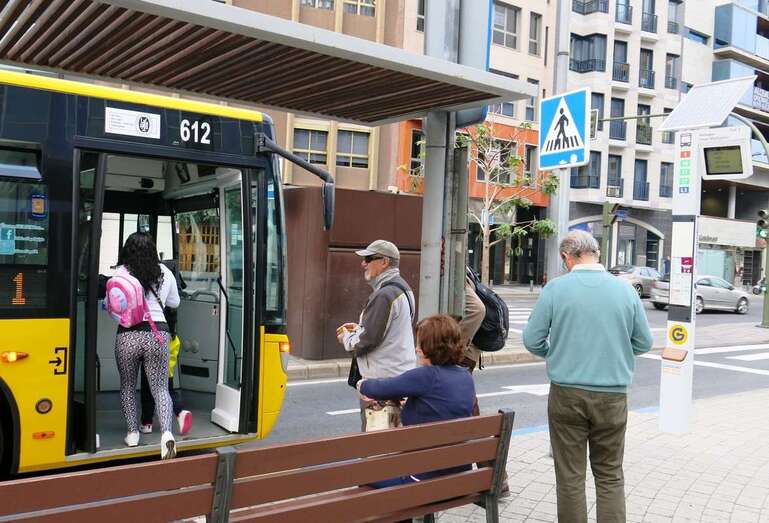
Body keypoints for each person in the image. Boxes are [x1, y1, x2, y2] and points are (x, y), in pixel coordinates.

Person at [522, 230, 653, 523]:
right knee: (609, 474)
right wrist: (615, 351)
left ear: (566, 257)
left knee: (570, 475)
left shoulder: (556, 289)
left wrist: (556, 354)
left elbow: (532, 340)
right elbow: (643, 342)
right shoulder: (625, 290)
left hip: (566, 394)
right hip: (613, 395)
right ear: (595, 253)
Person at [357, 314, 475, 486]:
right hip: (458, 476)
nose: (417, 349)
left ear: (432, 346)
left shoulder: (426, 376)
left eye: (420, 343)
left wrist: (361, 384)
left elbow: (379, 388)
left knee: (360, 473)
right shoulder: (465, 376)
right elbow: (440, 406)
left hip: (424, 479)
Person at [113, 232, 181, 459]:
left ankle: (132, 434)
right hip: (157, 334)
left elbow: (112, 305)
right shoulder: (165, 272)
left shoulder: (122, 272)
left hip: (128, 334)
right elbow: (174, 303)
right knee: (161, 388)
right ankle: (167, 435)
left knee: (127, 386)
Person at [337, 239, 416, 431]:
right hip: (397, 376)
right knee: (393, 443)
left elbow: (368, 340)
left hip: (382, 383)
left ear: (384, 262)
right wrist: (360, 328)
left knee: (378, 447)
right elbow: (389, 331)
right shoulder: (404, 288)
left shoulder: (385, 295)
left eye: (369, 258)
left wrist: (346, 338)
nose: (363, 263)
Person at [457, 273, 485, 416]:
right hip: (471, 352)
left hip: (463, 354)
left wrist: (454, 349)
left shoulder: (456, 268)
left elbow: (477, 310)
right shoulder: (467, 271)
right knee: (466, 398)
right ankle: (473, 433)